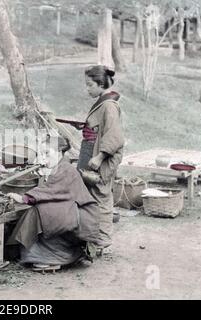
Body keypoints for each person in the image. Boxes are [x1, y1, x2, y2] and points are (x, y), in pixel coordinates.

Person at [6, 135, 100, 272]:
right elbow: (53, 192)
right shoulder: (59, 167)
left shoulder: (66, 169)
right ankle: (31, 252)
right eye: (41, 154)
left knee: (38, 212)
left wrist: (24, 198)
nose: (43, 158)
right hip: (70, 210)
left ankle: (56, 258)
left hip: (80, 216)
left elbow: (51, 190)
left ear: (60, 152)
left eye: (47, 153)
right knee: (38, 211)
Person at [73, 65, 125, 255]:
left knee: (101, 196)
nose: (87, 89)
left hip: (99, 156)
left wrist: (100, 156)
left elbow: (115, 137)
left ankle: (102, 240)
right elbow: (98, 128)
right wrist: (85, 127)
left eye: (89, 85)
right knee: (91, 195)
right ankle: (91, 237)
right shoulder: (102, 103)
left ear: (100, 84)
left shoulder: (109, 106)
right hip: (91, 151)